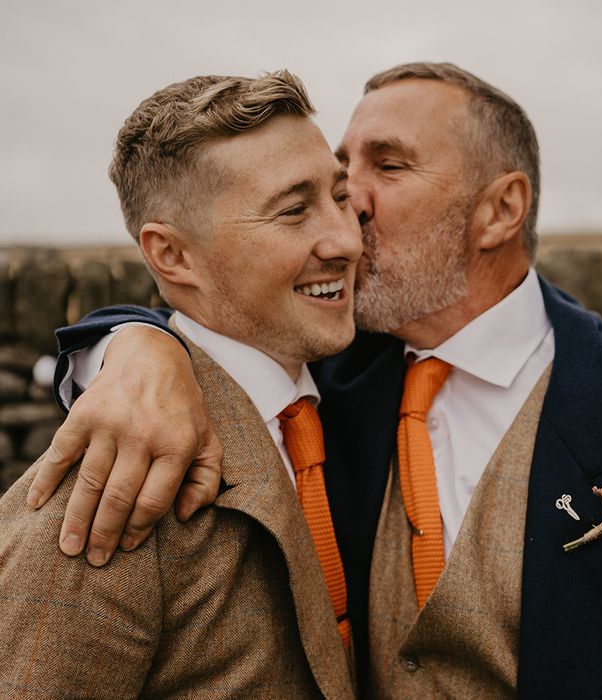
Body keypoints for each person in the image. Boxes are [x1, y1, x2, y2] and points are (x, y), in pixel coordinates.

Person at [31, 63, 602, 698]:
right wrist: (133, 348)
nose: (350, 203)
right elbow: (214, 312)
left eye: (387, 166)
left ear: (501, 210)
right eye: (343, 170)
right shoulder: (324, 364)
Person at [0, 71, 362, 698]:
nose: (347, 239)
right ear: (171, 256)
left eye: (341, 196)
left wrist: (128, 340)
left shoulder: (360, 386)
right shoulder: (108, 497)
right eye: (294, 210)